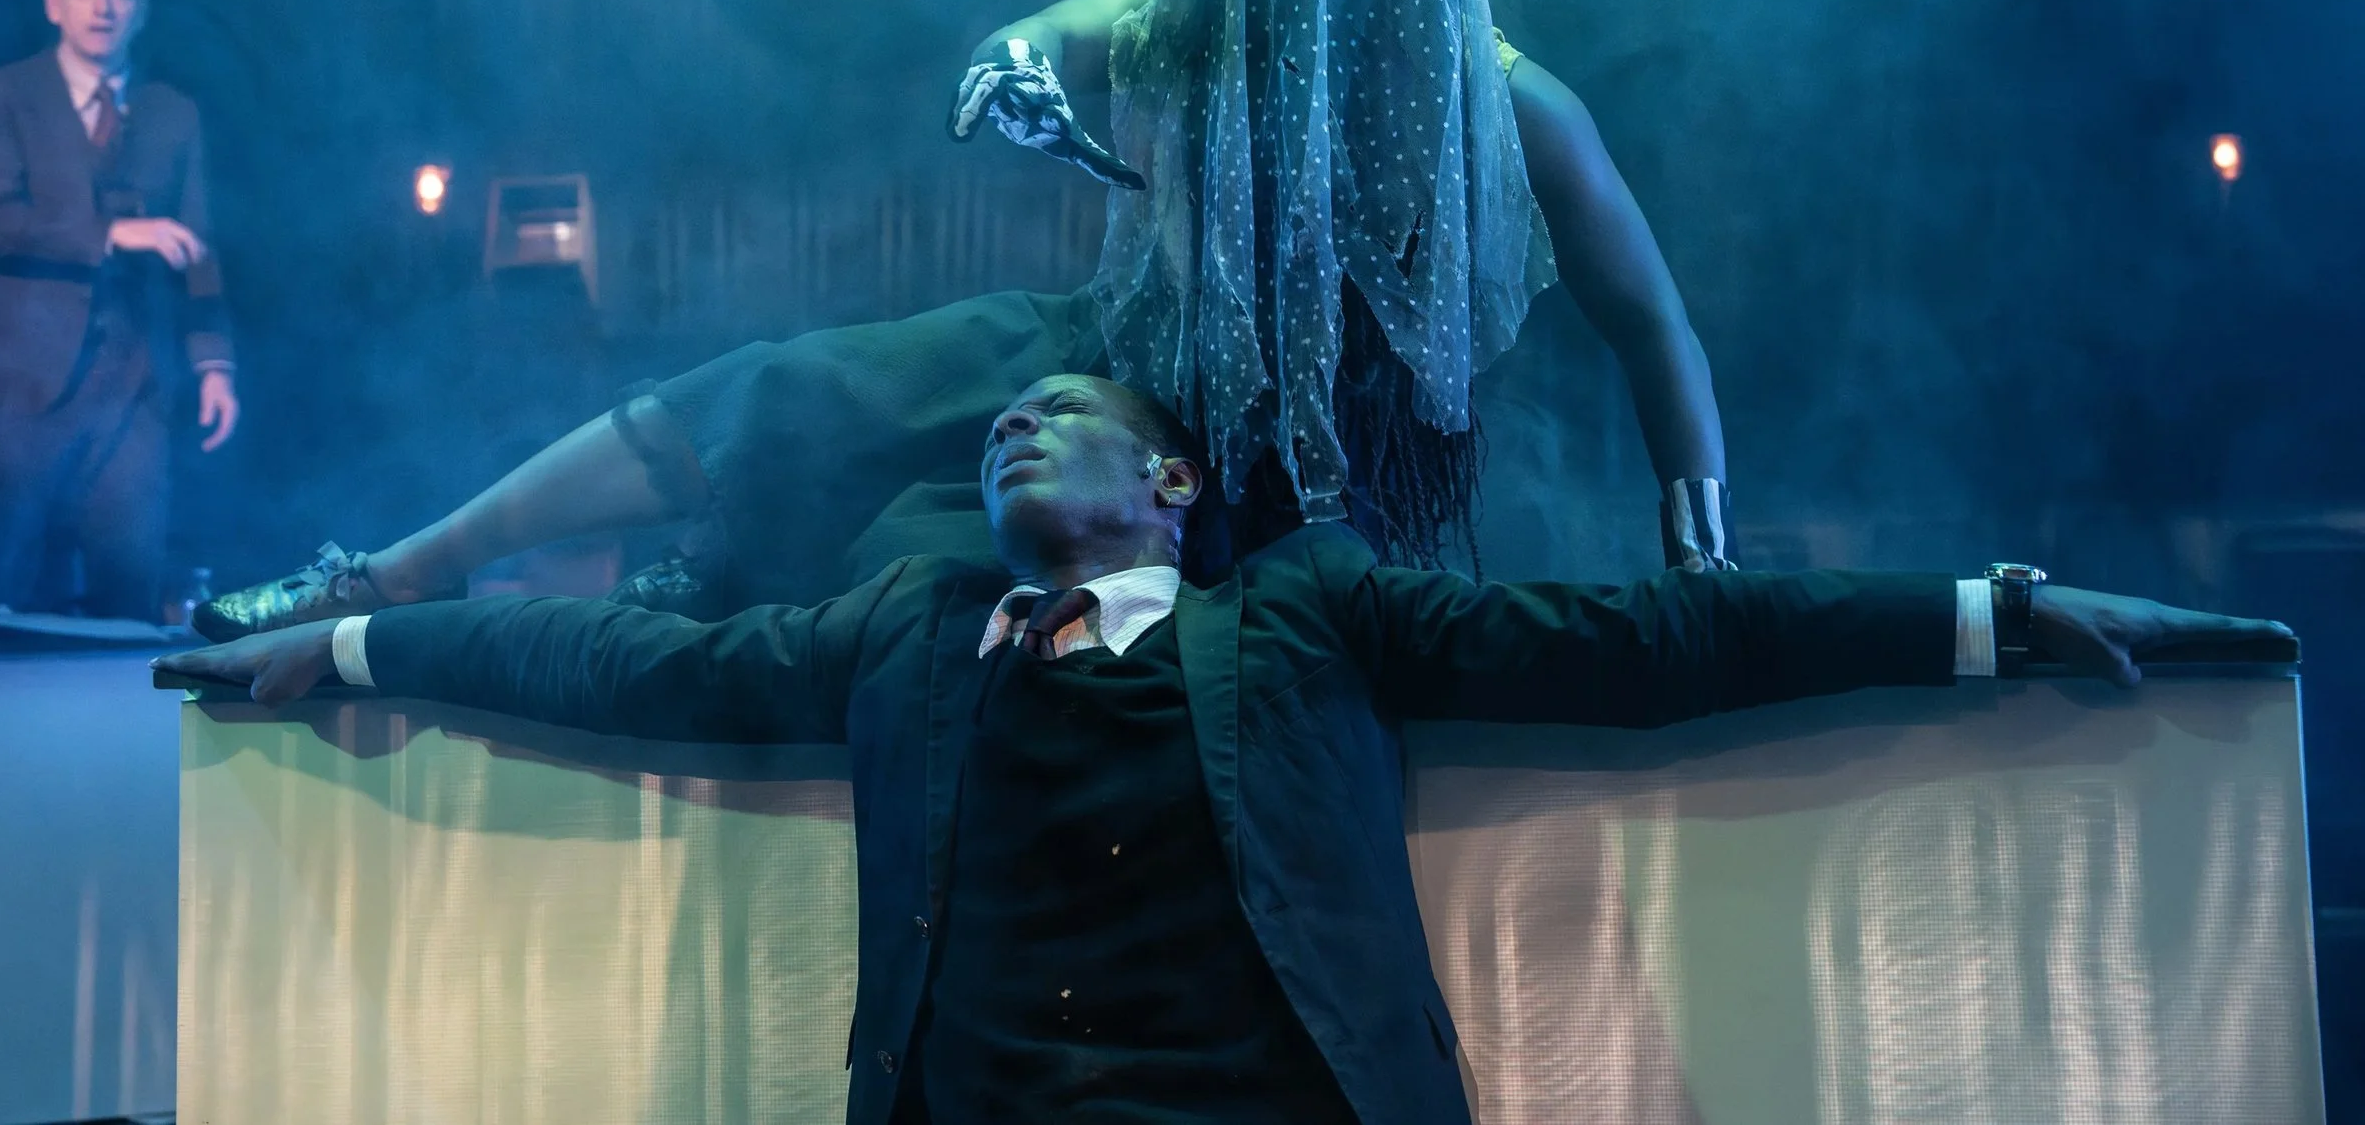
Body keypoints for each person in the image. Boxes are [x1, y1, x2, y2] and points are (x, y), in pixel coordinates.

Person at [157, 371, 2292, 1125]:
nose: (1014, 428)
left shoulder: (1308, 611)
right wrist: (343, 640)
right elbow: (612, 669)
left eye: (1060, 416)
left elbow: (1655, 638)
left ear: (1172, 483)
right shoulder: (901, 634)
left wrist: (2000, 607)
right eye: (1000, 427)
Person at [194, 0, 1728, 642]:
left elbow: (1653, 322)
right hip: (1127, 360)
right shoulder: (1204, 6)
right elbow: (1046, 29)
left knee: (915, 572)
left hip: (1336, 466)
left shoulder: (1505, 100)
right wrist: (1018, 69)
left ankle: (712, 587)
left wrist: (1703, 548)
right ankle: (400, 570)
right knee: (794, 386)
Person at [0, 0, 239, 620]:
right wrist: (111, 234)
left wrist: (214, 366)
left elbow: (198, 246)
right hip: (20, 383)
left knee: (129, 583)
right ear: (55, 3)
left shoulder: (173, 113)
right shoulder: (2, 96)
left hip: (132, 385)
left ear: (140, 10)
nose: (103, 7)